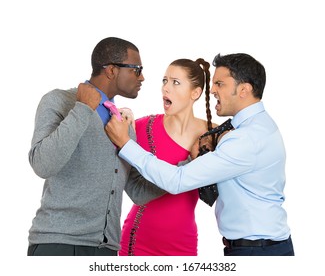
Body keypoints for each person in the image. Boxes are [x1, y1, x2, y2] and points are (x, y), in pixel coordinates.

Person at [105, 53, 295, 256]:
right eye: (165, 81)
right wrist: (125, 117)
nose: (212, 90)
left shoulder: (240, 138)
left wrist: (126, 143)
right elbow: (131, 184)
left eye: (220, 84)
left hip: (253, 250)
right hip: (142, 239)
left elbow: (178, 181)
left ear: (244, 90)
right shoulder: (251, 128)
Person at [27, 37, 164, 256]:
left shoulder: (122, 125)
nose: (143, 77)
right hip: (58, 244)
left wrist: (188, 169)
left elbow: (137, 191)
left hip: (106, 249)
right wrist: (82, 108)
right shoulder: (59, 100)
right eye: (136, 69)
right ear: (111, 70)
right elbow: (43, 165)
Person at [119, 58, 215, 256]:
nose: (166, 88)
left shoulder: (213, 136)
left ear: (195, 93)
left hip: (183, 244)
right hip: (138, 241)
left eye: (175, 82)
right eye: (164, 81)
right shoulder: (142, 127)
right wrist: (125, 118)